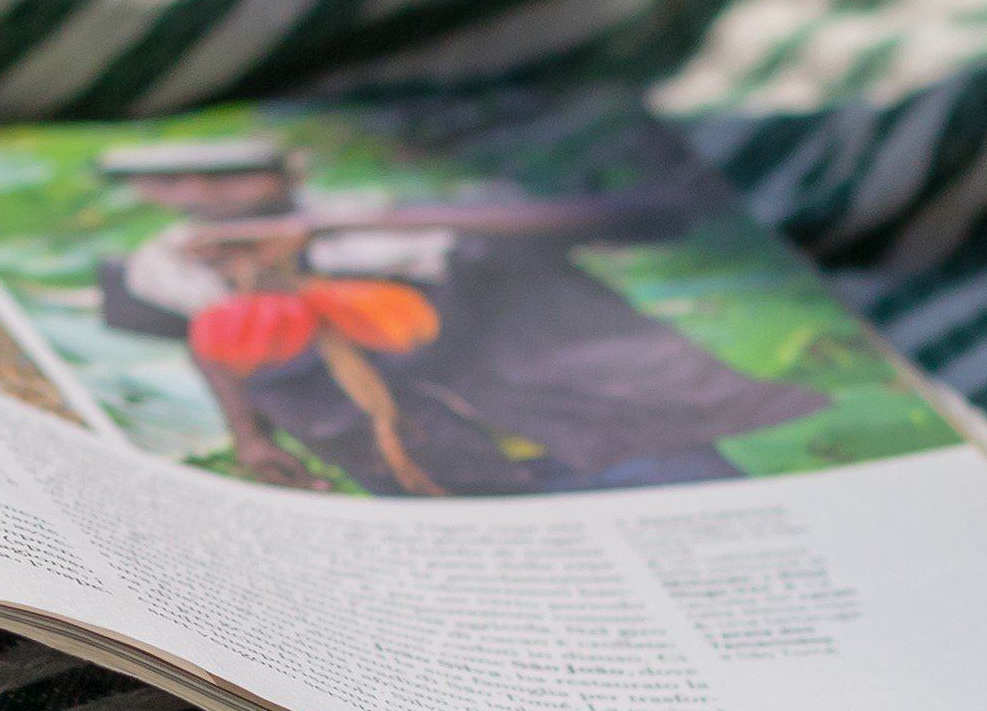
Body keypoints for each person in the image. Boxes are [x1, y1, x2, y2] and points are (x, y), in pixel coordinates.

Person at [93, 135, 830, 497]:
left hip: (618, 437)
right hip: (451, 484)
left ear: (291, 171)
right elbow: (217, 349)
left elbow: (645, 217)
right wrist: (249, 437)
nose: (201, 190)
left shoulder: (412, 226)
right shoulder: (164, 274)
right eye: (172, 176)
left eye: (226, 169)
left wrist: (323, 233)